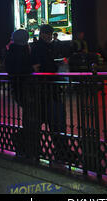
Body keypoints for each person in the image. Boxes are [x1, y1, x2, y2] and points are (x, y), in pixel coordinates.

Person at [29, 24, 77, 164]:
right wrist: (57, 68)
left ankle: (46, 150)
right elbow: (41, 67)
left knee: (50, 122)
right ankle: (62, 151)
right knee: (57, 122)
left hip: (45, 91)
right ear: (43, 34)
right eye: (49, 34)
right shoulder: (41, 48)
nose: (50, 36)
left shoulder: (38, 47)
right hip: (48, 90)